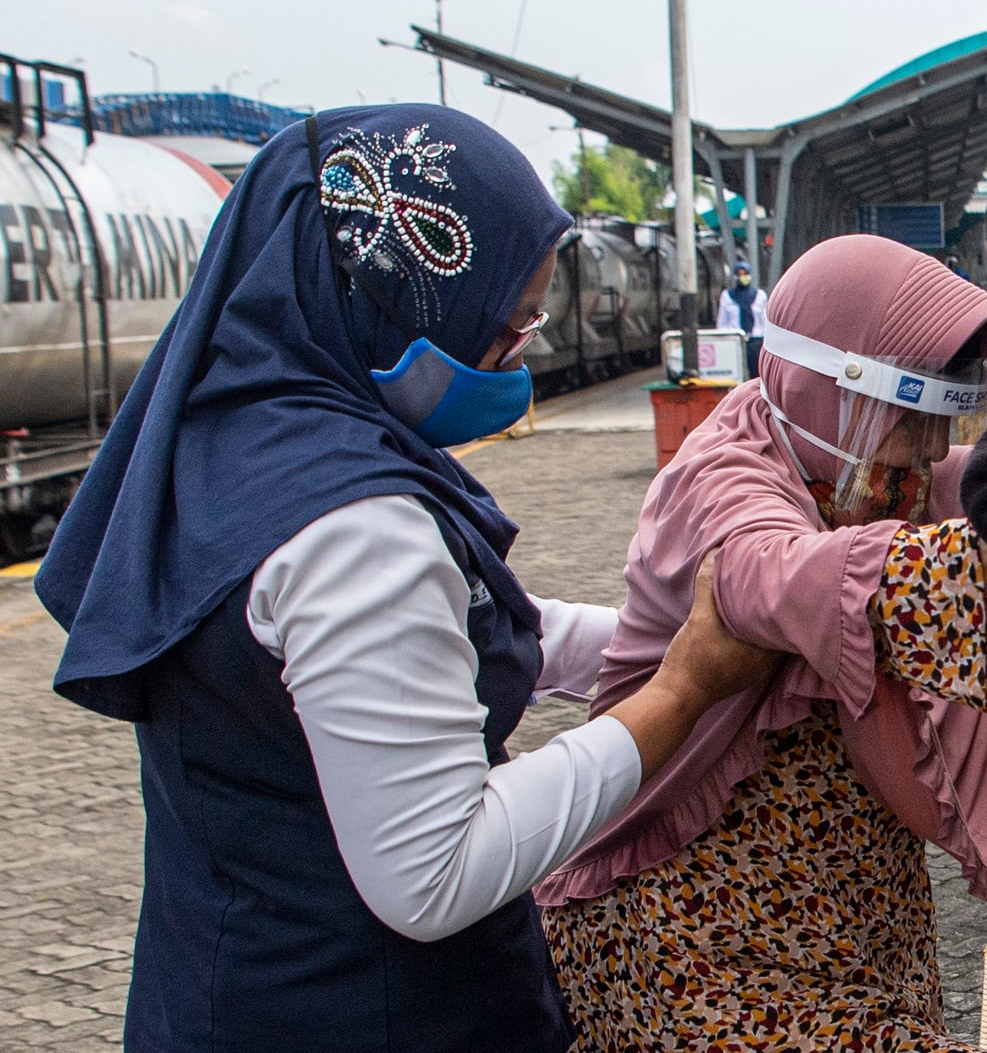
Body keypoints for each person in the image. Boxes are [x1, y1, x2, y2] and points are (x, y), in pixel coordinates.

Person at [35, 105, 779, 1053]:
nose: (523, 349)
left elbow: (447, 633)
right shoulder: (355, 531)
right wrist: (681, 691)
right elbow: (435, 872)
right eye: (507, 324)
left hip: (227, 983)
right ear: (394, 303)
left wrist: (654, 637)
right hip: (365, 1013)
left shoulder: (232, 440)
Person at [538, 234, 987, 1051]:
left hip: (847, 919)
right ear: (828, 388)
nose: (932, 450)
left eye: (944, 418)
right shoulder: (724, 477)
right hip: (699, 935)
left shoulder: (866, 472)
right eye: (909, 417)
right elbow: (770, 576)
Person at [717, 254, 768, 378]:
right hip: (734, 340)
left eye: (745, 274)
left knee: (756, 374)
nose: (742, 277)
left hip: (755, 340)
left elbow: (764, 321)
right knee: (735, 374)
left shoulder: (759, 295)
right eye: (739, 275)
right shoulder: (727, 296)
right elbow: (722, 321)